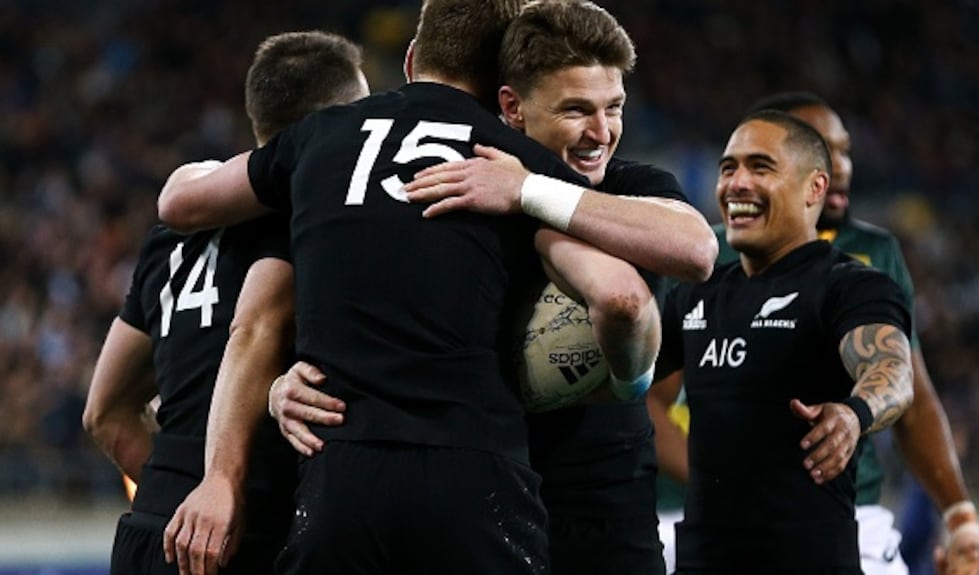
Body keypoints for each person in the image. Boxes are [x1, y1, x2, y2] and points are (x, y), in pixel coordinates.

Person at [156, 1, 676, 572]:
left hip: (342, 474)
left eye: (612, 108)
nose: (598, 129)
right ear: (508, 89)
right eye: (580, 108)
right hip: (481, 480)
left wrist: (268, 404)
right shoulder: (515, 165)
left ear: (410, 59)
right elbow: (624, 295)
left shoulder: (322, 138)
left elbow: (182, 204)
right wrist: (632, 381)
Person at [81, 31, 369, 575]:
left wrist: (180, 500)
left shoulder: (172, 235)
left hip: (153, 531)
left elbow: (104, 412)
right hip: (255, 531)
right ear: (335, 124)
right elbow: (254, 329)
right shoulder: (310, 216)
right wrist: (221, 494)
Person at [709, 92, 979, 575]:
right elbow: (651, 399)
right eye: (822, 148)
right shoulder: (708, 256)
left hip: (851, 514)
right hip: (716, 518)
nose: (842, 166)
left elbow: (911, 394)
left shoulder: (873, 255)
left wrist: (960, 516)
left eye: (844, 150)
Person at [654, 109, 915, 573]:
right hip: (703, 562)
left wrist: (854, 415)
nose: (736, 183)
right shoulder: (696, 293)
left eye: (760, 167)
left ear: (815, 188)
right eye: (728, 167)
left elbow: (893, 372)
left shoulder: (849, 286)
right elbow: (628, 386)